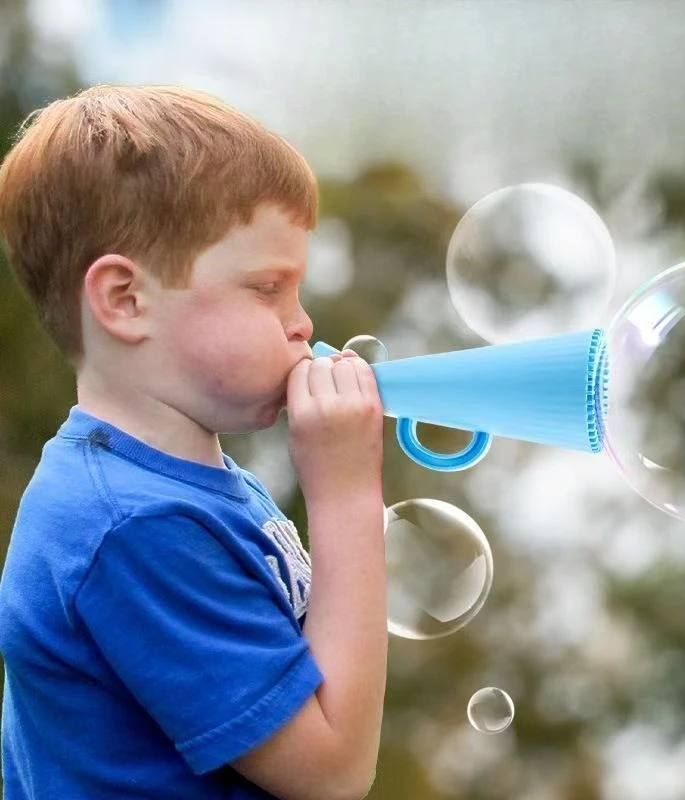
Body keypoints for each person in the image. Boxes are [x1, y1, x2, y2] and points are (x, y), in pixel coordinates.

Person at [0, 84, 387, 800]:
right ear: (125, 301)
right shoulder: (134, 526)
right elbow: (331, 774)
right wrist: (347, 497)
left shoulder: (179, 480)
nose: (301, 324)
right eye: (269, 288)